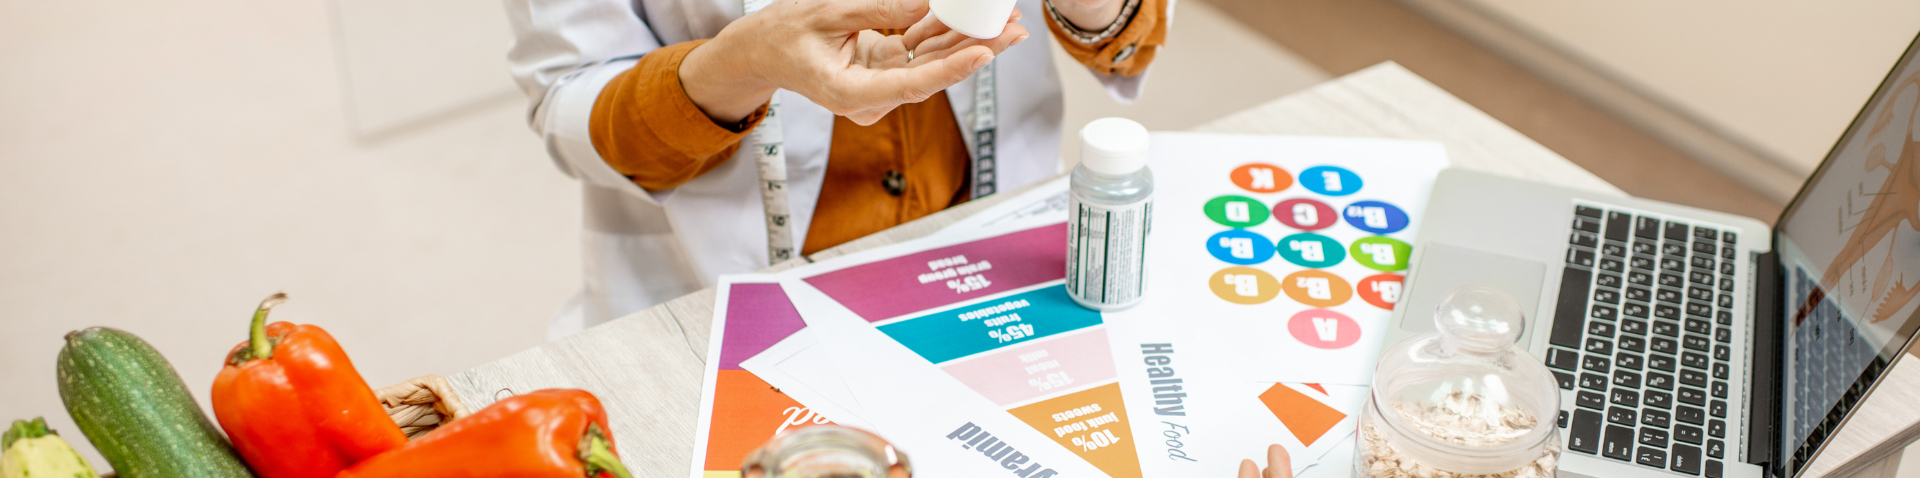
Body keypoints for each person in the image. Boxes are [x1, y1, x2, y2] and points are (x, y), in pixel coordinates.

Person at [506, 0, 1172, 338]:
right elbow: (573, 109)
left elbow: (1131, 36)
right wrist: (744, 65)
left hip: (1001, 272)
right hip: (724, 300)